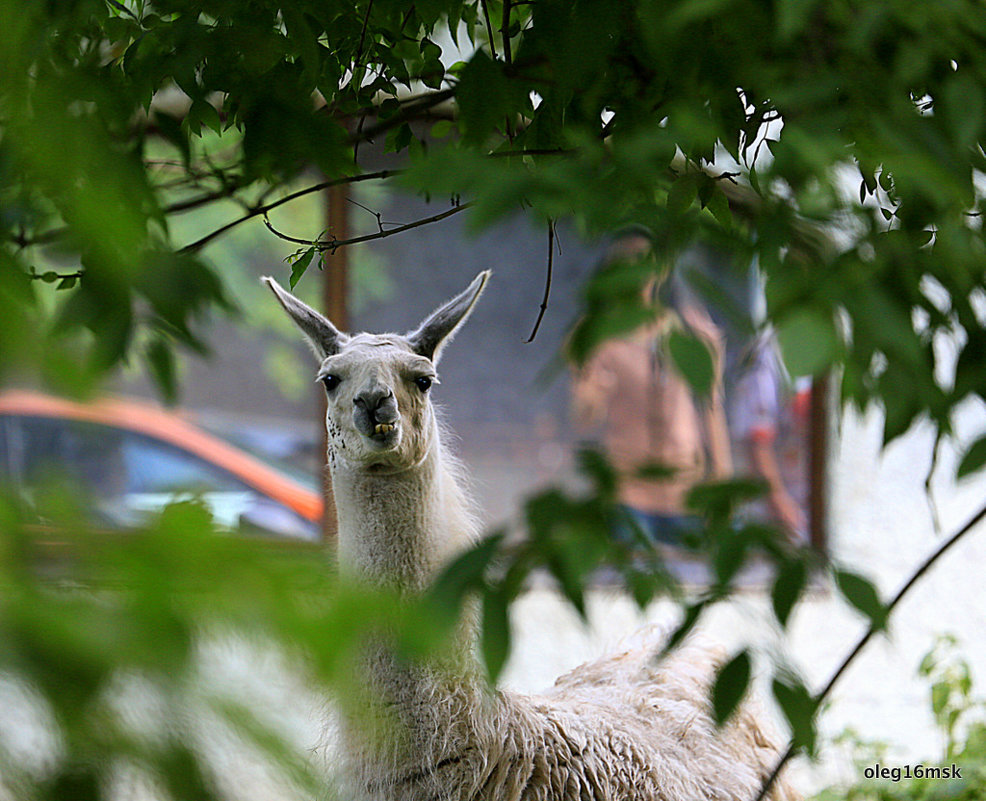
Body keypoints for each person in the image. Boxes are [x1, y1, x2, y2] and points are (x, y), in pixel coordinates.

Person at [572, 235, 732, 546]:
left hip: (688, 492)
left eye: (643, 265)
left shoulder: (685, 331)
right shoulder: (598, 337)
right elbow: (584, 416)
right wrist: (590, 397)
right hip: (629, 495)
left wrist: (721, 480)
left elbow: (711, 403)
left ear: (660, 272)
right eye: (625, 268)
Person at [729, 330, 807, 542]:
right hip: (779, 521)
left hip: (824, 516)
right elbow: (757, 440)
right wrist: (781, 506)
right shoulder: (769, 350)